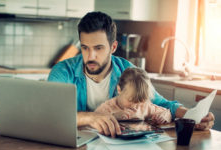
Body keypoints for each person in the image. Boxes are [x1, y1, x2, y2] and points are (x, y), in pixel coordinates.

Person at [48, 11, 214, 137]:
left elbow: (162, 103)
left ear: (113, 47)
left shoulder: (129, 71)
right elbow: (51, 113)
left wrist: (194, 117)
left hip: (118, 147)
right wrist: (91, 118)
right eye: (85, 48)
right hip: (76, 145)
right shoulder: (62, 72)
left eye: (98, 48)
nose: (90, 56)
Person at [95, 67, 172, 125]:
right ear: (119, 89)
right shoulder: (107, 108)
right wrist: (114, 116)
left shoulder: (144, 106)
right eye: (131, 100)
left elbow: (167, 112)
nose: (135, 106)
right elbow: (93, 121)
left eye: (140, 101)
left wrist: (163, 117)